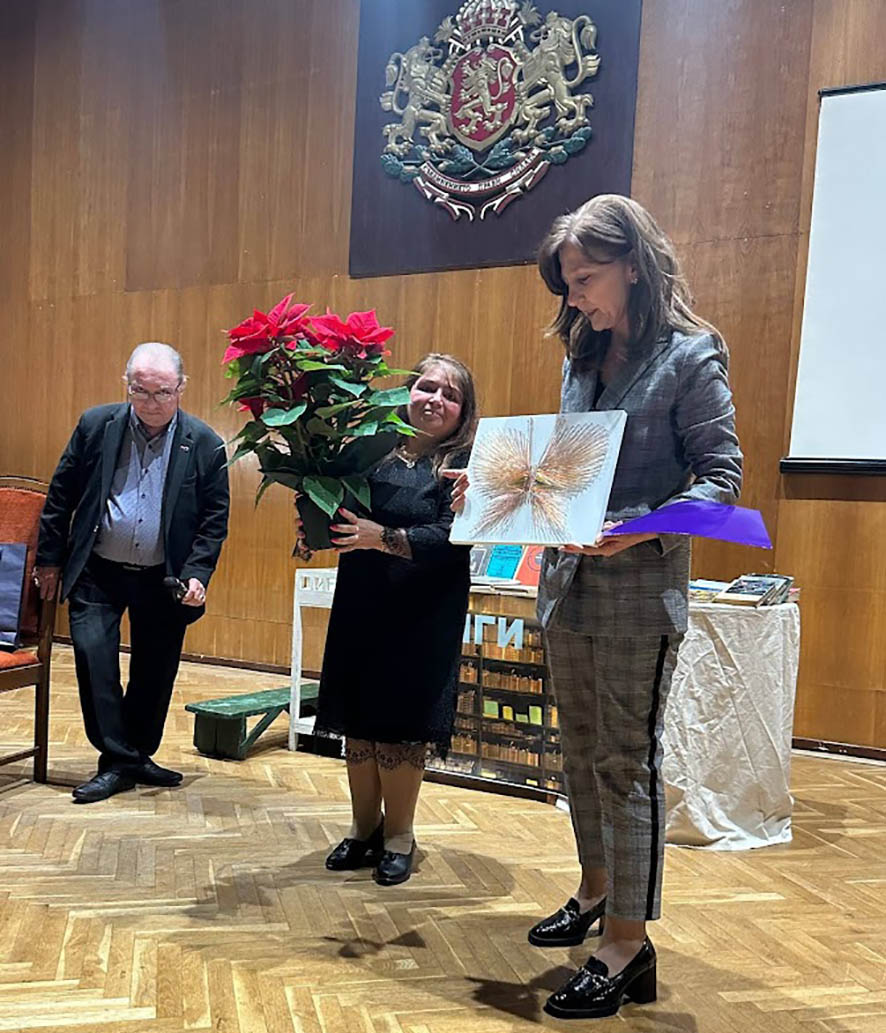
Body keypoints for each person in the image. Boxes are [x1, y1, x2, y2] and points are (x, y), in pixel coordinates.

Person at [450, 195, 742, 1020]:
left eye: (584, 278)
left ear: (634, 265)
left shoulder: (691, 355)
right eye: (568, 283)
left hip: (638, 593)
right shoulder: (582, 353)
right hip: (566, 586)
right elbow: (568, 474)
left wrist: (640, 528)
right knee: (578, 756)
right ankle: (594, 889)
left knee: (625, 763)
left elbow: (723, 481)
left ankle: (625, 943)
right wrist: (496, 488)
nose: (574, 297)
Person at [298, 353, 477, 886]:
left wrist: (383, 538)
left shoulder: (465, 464)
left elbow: (454, 537)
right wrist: (313, 526)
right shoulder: (370, 449)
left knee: (401, 727)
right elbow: (340, 514)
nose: (435, 399)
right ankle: (362, 828)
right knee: (358, 721)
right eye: (426, 387)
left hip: (423, 614)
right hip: (362, 603)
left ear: (463, 410)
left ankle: (400, 835)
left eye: (450, 395)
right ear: (406, 392)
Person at [34, 342, 230, 804]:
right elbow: (61, 495)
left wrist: (198, 573)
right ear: (127, 385)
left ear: (181, 387)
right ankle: (121, 759)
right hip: (97, 570)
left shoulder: (204, 443)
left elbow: (213, 519)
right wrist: (49, 560)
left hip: (163, 577)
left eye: (162, 392)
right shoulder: (96, 425)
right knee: (94, 660)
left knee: (154, 672)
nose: (151, 402)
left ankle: (133, 756)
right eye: (140, 391)